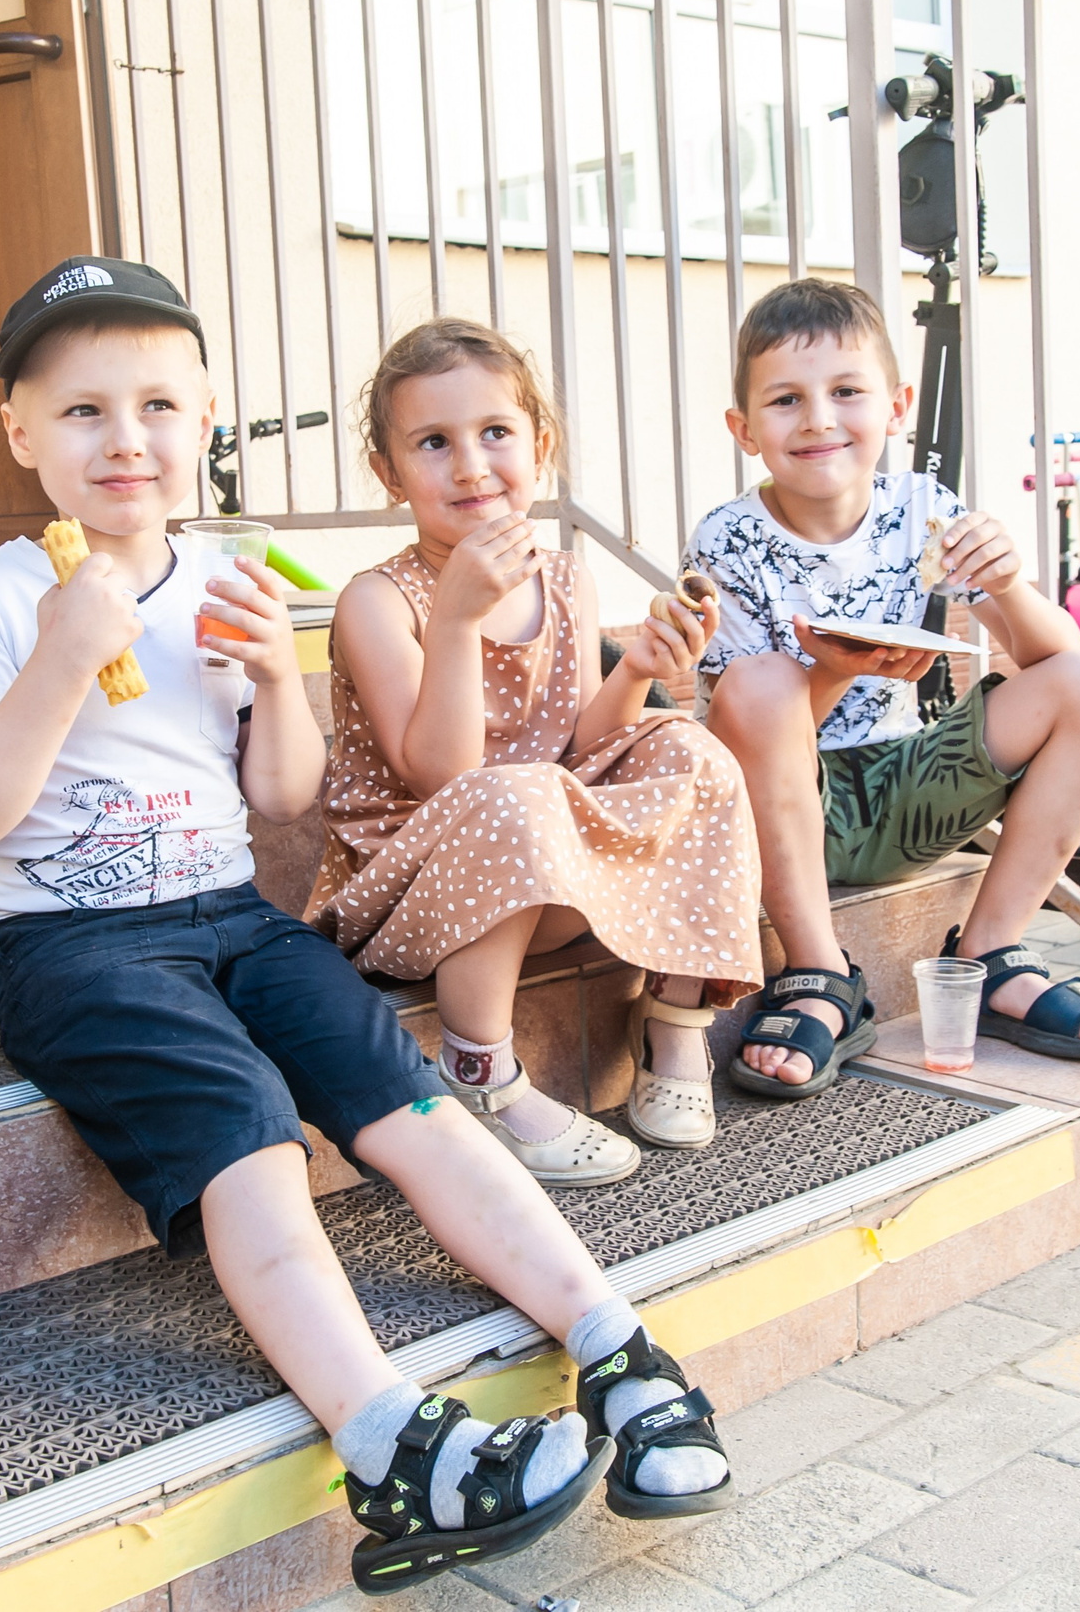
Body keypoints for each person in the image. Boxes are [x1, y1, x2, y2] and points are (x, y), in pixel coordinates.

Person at [0, 260, 734, 1593]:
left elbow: (282, 791)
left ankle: (617, 1343)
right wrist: (65, 653)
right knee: (250, 1125)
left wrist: (268, 674)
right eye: (82, 411)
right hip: (73, 939)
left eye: (159, 406)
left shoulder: (222, 576)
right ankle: (388, 1441)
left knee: (407, 1096)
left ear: (204, 420)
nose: (126, 439)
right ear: (20, 432)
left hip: (233, 912)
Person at [310, 318, 764, 1179]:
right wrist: (456, 618)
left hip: (539, 868)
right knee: (511, 790)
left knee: (686, 746)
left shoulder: (564, 576)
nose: (470, 466)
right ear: (389, 473)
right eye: (433, 443)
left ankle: (675, 1017)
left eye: (494, 432)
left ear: (540, 448)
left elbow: (582, 740)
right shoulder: (379, 601)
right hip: (409, 893)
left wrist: (637, 669)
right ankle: (480, 1074)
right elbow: (443, 775)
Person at [689, 277, 1080, 1095]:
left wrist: (1007, 584)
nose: (818, 419)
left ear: (897, 407)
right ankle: (820, 972)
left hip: (908, 787)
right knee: (759, 683)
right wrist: (835, 669)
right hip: (784, 807)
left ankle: (990, 951)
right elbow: (746, 729)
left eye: (847, 391)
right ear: (744, 429)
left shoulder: (922, 509)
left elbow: (1056, 660)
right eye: (786, 399)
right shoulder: (730, 539)